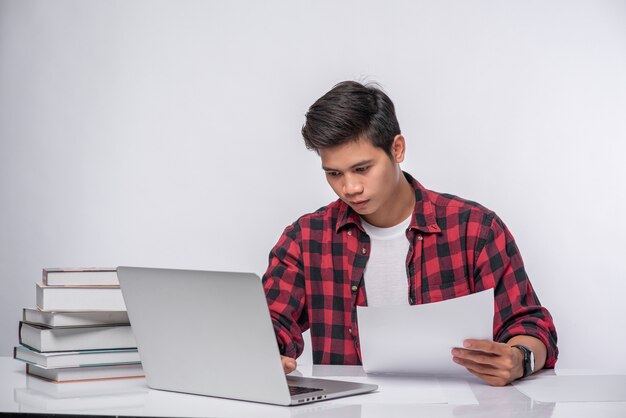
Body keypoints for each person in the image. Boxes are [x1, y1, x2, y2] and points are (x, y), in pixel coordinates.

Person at [262, 81, 558, 386]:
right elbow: (272, 323)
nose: (350, 188)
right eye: (334, 173)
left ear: (397, 149)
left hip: (457, 409)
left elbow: (529, 325)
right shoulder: (306, 239)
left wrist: (519, 359)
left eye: (362, 169)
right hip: (350, 410)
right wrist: (264, 353)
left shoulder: (474, 229)